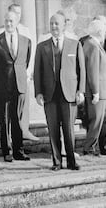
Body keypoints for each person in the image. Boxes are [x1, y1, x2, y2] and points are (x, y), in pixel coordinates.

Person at [33, 14, 84, 171]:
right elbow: (37, 72)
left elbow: (81, 70)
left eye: (57, 23)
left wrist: (80, 90)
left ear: (64, 26)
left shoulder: (74, 45)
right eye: (51, 23)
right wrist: (38, 93)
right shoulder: (42, 47)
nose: (54, 26)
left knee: (68, 129)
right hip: (50, 93)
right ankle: (56, 161)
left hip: (68, 92)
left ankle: (71, 161)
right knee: (53, 128)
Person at [0, 11, 31, 162]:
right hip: (3, 85)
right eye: (6, 21)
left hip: (19, 85)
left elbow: (24, 62)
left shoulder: (26, 41)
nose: (8, 24)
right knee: (4, 119)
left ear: (17, 21)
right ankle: (7, 151)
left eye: (11, 21)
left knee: (18, 119)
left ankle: (19, 151)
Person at [0, 4, 38, 141]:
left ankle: (22, 136)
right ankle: (7, 145)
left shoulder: (26, 31)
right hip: (6, 79)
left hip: (21, 77)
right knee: (7, 113)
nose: (16, 16)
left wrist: (28, 72)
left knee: (20, 111)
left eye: (19, 13)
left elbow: (29, 55)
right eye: (14, 13)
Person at [83, 19, 106, 156]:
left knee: (105, 120)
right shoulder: (91, 45)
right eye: (103, 30)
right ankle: (89, 147)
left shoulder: (96, 44)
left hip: (104, 90)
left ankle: (105, 146)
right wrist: (95, 91)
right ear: (99, 31)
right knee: (96, 120)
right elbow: (92, 70)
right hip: (97, 91)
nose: (104, 33)